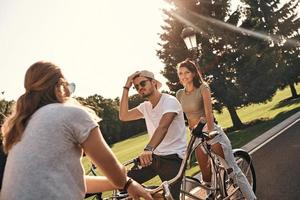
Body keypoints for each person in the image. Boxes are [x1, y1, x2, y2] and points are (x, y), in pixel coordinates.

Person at [0, 61, 153, 200]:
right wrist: (123, 181)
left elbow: (74, 180)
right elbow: (118, 176)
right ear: (60, 85)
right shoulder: (70, 113)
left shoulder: (22, 127)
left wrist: (128, 184)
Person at [176, 59, 257, 200]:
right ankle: (212, 195)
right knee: (206, 178)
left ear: (194, 73)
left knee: (233, 172)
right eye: (180, 73)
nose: (183, 76)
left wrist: (211, 134)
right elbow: (181, 117)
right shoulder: (179, 94)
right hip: (196, 136)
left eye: (187, 72)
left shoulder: (203, 88)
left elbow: (209, 113)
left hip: (210, 131)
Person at [119, 70, 187, 200]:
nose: (140, 88)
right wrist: (126, 87)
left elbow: (163, 127)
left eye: (143, 83)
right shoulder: (145, 106)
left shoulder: (169, 101)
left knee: (172, 198)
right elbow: (123, 115)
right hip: (155, 158)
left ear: (154, 83)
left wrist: (148, 149)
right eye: (136, 86)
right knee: (123, 182)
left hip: (173, 158)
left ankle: (159, 196)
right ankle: (155, 195)